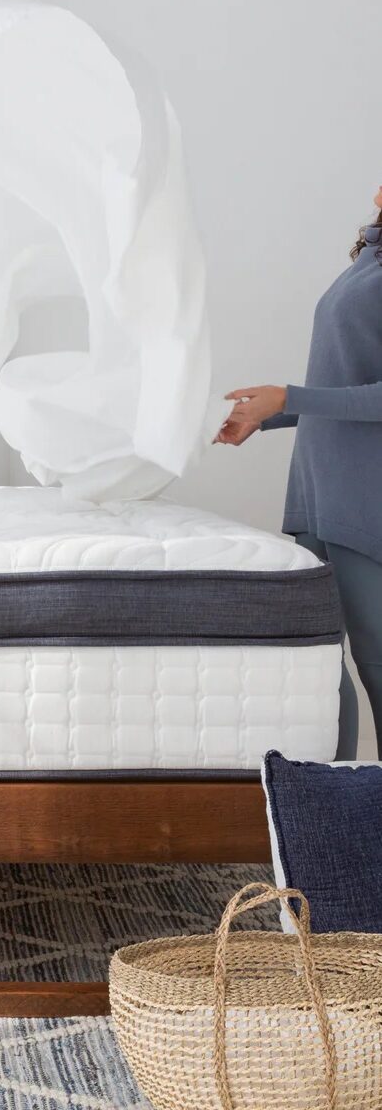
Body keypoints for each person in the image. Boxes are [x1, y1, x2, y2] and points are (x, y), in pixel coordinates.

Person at [218, 188, 382, 760]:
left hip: (363, 502)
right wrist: (267, 416)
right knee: (315, 672)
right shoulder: (369, 258)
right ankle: (330, 816)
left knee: (375, 665)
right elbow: (342, 381)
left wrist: (289, 395)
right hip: (317, 492)